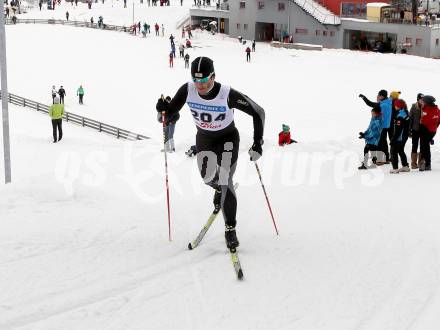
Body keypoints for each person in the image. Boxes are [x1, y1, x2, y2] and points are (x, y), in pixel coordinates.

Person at [155, 56, 265, 250]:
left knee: (225, 180)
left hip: (227, 139)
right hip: (204, 139)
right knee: (207, 179)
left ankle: (230, 228)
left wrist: (258, 143)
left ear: (213, 76)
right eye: (197, 80)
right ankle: (218, 190)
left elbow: (258, 112)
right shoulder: (187, 90)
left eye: (205, 80)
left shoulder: (226, 94)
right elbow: (169, 116)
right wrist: (162, 111)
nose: (201, 85)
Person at [359, 90, 392, 164]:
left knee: (380, 142)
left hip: (381, 125)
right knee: (384, 141)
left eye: (378, 95)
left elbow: (370, 104)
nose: (377, 96)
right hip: (386, 125)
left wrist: (364, 98)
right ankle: (386, 158)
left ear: (382, 96)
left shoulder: (382, 104)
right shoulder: (388, 102)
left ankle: (380, 160)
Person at [419, 95, 440, 171]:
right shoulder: (437, 109)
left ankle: (425, 164)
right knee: (426, 147)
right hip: (432, 131)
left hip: (425, 130)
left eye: (423, 101)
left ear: (427, 102)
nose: (422, 102)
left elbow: (423, 121)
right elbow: (438, 121)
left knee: (424, 147)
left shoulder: (427, 110)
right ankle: (427, 164)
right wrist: (434, 128)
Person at [358, 106, 383, 170]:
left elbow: (375, 133)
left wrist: (365, 136)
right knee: (372, 151)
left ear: (377, 113)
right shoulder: (373, 119)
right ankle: (373, 163)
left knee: (367, 149)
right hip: (370, 138)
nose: (372, 114)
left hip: (374, 139)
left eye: (373, 113)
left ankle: (365, 164)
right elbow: (369, 128)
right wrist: (364, 133)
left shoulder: (378, 121)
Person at [389, 99, 410, 173]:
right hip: (405, 136)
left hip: (400, 137)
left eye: (395, 105)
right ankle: (405, 166)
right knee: (401, 150)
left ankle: (395, 168)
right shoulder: (405, 112)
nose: (394, 106)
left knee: (393, 151)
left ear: (398, 106)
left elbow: (398, 130)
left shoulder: (400, 116)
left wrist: (393, 140)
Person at [409, 93, 423, 168]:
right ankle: (413, 163)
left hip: (423, 130)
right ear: (418, 99)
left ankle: (421, 163)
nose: (422, 100)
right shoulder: (414, 107)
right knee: (414, 145)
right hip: (415, 129)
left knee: (422, 146)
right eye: (421, 99)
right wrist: (409, 130)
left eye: (423, 99)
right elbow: (410, 119)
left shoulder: (425, 106)